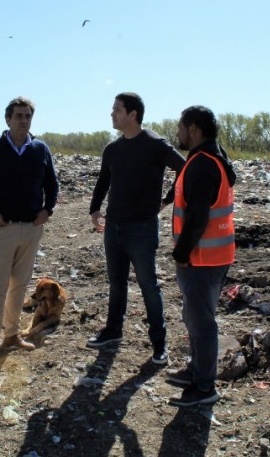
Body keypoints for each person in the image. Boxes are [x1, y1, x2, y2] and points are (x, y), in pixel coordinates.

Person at [86, 92, 186, 365]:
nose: (112, 114)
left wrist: (167, 200)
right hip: (114, 227)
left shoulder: (155, 144)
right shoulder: (112, 149)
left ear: (133, 114)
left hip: (142, 228)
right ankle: (113, 332)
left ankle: (159, 343)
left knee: (148, 285)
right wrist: (94, 209)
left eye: (117, 110)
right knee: (116, 284)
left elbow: (184, 169)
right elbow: (103, 181)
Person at [0, 96, 59, 362]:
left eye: (27, 116)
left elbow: (52, 184)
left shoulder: (40, 149)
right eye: (18, 116)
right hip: (2, 229)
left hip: (31, 228)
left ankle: (12, 335)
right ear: (7, 119)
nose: (23, 120)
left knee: (19, 286)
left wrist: (47, 209)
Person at [167, 105, 236, 407]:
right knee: (194, 317)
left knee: (203, 322)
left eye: (180, 127)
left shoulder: (203, 164)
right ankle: (196, 371)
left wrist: (182, 252)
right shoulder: (209, 158)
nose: (178, 133)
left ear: (194, 129)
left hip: (202, 258)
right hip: (211, 255)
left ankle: (204, 388)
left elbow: (197, 215)